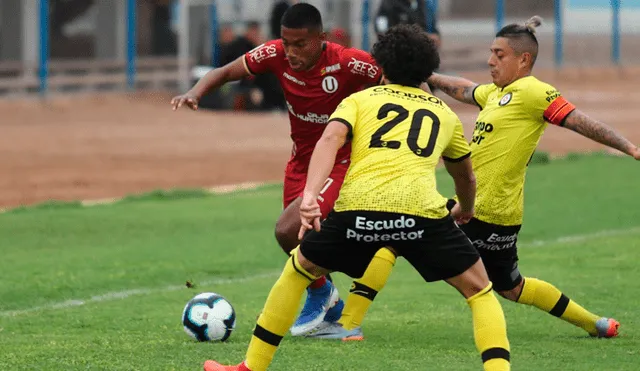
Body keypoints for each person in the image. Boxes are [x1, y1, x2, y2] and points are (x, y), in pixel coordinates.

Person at [307, 16, 639, 341]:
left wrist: (629, 147)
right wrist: (422, 72)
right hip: (489, 210)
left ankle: (348, 324)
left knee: (391, 238)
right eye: (491, 53)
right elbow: (465, 89)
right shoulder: (497, 93)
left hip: (483, 208)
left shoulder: (535, 92)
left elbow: (581, 121)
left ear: (524, 59)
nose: (490, 60)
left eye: (499, 54)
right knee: (512, 287)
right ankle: (595, 323)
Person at [203, 23, 512, 371]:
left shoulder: (360, 100)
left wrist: (309, 197)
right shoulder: (445, 114)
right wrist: (465, 209)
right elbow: (465, 176)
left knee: (298, 270)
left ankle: (250, 368)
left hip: (358, 211)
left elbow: (329, 141)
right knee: (480, 291)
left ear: (382, 66)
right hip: (423, 214)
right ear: (426, 70)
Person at [171, 3, 395, 337]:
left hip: (340, 160)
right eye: (285, 42)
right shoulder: (273, 54)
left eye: (299, 44)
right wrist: (195, 92)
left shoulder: (348, 61)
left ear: (321, 38)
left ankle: (325, 289)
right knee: (295, 240)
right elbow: (226, 72)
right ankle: (332, 308)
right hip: (300, 162)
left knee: (289, 229)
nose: (290, 52)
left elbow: (398, 77)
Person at [374, 0, 441, 48]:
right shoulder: (388, 4)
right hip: (398, 56)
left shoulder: (424, 5)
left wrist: (436, 37)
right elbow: (383, 33)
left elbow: (433, 28)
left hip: (421, 56)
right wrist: (423, 37)